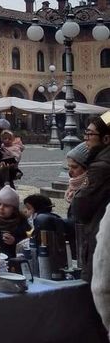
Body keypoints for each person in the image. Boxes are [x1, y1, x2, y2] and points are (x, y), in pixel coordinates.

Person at [71, 117, 110, 280]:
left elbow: (81, 208)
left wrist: (77, 195)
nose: (85, 139)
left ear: (106, 139)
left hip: (100, 232)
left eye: (89, 134)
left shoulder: (100, 167)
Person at [0, 185, 29, 259]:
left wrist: (14, 241)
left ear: (14, 209)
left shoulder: (21, 221)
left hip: (11, 257)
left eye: (6, 206)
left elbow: (26, 241)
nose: (1, 208)